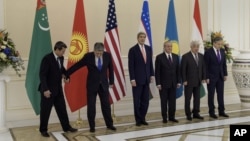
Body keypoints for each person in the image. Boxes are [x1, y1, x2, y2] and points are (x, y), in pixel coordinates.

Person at [66, 42, 116, 132]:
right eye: (97, 53)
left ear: (103, 51)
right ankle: (92, 127)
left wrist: (111, 81)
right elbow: (78, 65)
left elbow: (111, 69)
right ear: (94, 50)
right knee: (91, 106)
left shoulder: (107, 56)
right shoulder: (88, 56)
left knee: (106, 106)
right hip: (92, 85)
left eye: (101, 53)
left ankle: (109, 124)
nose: (99, 54)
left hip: (104, 85)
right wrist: (66, 73)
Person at [38, 41, 77, 137]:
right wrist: (45, 89)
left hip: (58, 90)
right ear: (57, 49)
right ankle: (43, 130)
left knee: (62, 109)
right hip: (48, 91)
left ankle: (67, 127)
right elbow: (42, 75)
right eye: (63, 51)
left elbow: (61, 69)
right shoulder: (47, 59)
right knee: (45, 111)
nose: (64, 53)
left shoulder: (61, 58)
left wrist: (67, 76)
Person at [128, 32, 154, 126]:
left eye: (144, 37)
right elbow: (131, 66)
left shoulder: (148, 48)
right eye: (141, 37)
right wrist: (132, 79)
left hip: (146, 79)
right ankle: (138, 120)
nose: (142, 39)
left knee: (145, 101)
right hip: (137, 80)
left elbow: (150, 63)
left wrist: (152, 75)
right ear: (137, 38)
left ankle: (143, 118)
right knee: (137, 101)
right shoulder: (133, 50)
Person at [155, 40, 181, 123]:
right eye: (168, 46)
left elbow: (178, 70)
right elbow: (157, 72)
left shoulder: (176, 56)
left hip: (173, 83)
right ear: (164, 47)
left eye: (171, 46)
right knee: (164, 101)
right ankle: (164, 117)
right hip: (163, 84)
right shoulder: (159, 57)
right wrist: (158, 83)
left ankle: (172, 117)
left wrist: (179, 81)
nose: (170, 48)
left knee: (172, 101)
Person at [204, 37, 229, 119]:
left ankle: (221, 111)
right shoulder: (208, 52)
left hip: (220, 77)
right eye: (218, 44)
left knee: (220, 95)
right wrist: (206, 77)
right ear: (214, 43)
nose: (220, 45)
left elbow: (224, 64)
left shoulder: (222, 51)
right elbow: (206, 66)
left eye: (221, 44)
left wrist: (225, 74)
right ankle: (211, 112)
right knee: (211, 95)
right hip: (211, 78)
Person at [181, 41, 206, 121]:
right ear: (191, 47)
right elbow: (183, 70)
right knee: (188, 99)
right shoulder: (185, 56)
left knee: (197, 98)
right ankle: (188, 114)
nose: (196, 48)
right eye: (195, 47)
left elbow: (203, 68)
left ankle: (196, 113)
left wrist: (203, 78)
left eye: (197, 47)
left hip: (198, 81)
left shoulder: (201, 56)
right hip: (188, 82)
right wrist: (184, 80)